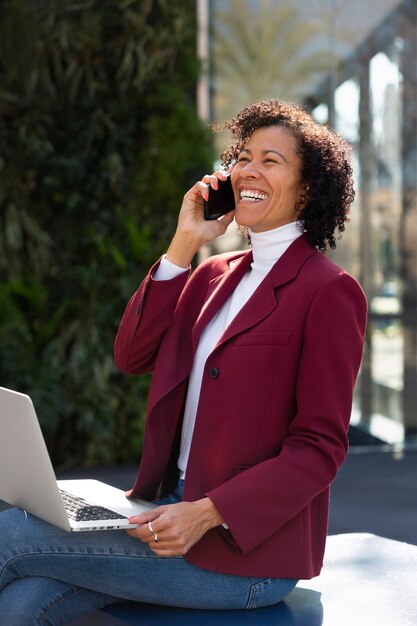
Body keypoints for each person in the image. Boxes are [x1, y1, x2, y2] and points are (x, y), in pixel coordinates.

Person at [0, 99, 367, 624]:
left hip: (246, 555)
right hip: (158, 514)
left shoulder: (329, 291)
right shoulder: (212, 274)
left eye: (271, 160)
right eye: (243, 157)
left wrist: (208, 512)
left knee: (12, 536)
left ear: (308, 189)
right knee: (22, 603)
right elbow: (131, 356)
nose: (248, 170)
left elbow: (320, 448)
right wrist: (184, 243)